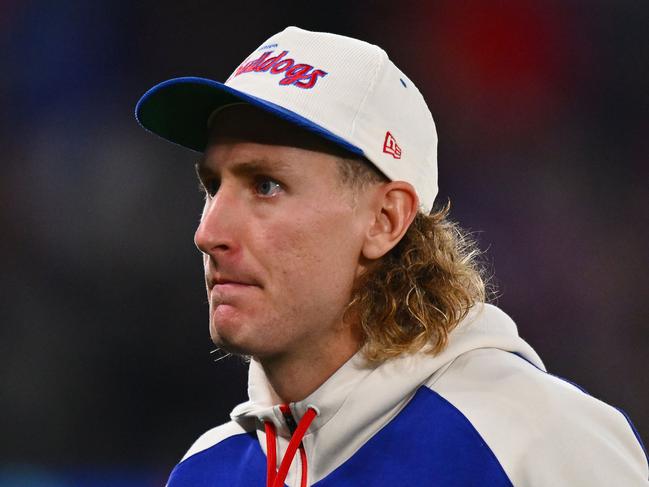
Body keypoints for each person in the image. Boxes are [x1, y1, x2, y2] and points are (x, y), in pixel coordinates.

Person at [135, 26, 648, 486]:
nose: (208, 232)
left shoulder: (531, 442)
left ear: (384, 220)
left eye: (266, 185)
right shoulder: (204, 471)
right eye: (212, 185)